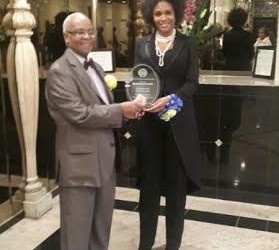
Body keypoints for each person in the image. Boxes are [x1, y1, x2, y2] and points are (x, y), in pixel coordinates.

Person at [45, 12, 144, 250]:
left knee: (101, 229)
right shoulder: (60, 71)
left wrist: (131, 109)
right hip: (79, 167)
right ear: (67, 38)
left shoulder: (96, 66)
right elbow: (81, 114)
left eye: (90, 31)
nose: (87, 36)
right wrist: (122, 110)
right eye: (80, 32)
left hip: (105, 162)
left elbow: (100, 107)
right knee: (77, 235)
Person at [134, 0, 201, 249]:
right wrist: (139, 102)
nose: (163, 18)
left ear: (177, 13)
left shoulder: (188, 44)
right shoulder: (141, 44)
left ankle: (173, 244)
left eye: (168, 12)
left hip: (179, 126)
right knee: (148, 189)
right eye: (158, 13)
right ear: (151, 16)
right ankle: (145, 244)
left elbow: (193, 83)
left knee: (176, 190)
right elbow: (138, 78)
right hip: (149, 127)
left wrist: (170, 100)